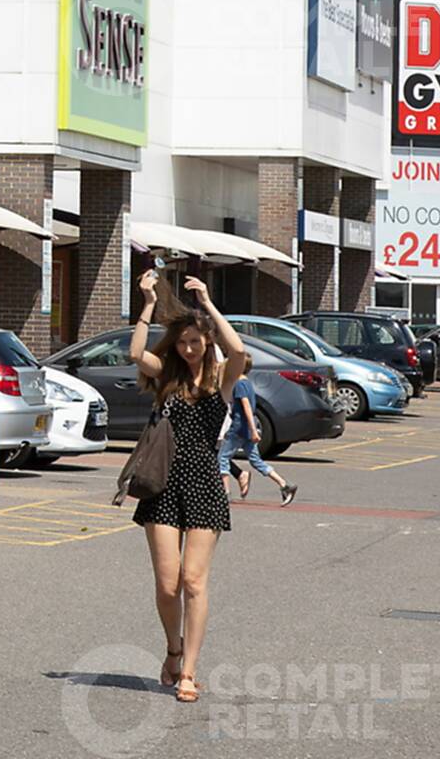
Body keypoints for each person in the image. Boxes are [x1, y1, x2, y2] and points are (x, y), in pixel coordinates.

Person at [129, 269, 247, 704]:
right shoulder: (167, 376)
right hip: (163, 483)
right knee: (167, 585)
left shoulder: (222, 380)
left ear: (206, 342)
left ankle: (190, 672)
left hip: (204, 484)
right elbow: (136, 352)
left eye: (195, 342)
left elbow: (238, 349)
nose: (188, 348)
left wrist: (209, 306)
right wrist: (147, 303)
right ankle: (173, 648)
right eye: (182, 342)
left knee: (194, 580)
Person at [220, 352, 296, 506]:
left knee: (222, 458)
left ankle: (225, 493)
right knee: (256, 460)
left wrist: (253, 429)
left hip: (239, 428)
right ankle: (284, 484)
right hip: (246, 428)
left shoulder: (239, 384)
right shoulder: (247, 383)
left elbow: (246, 406)